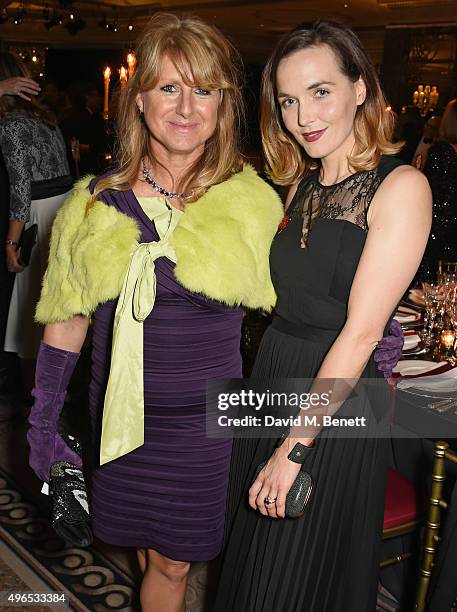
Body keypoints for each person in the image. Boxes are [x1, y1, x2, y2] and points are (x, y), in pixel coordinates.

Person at [27, 13, 284, 612]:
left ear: (223, 106)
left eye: (204, 91)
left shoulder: (249, 201)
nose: (186, 106)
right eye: (169, 87)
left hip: (200, 427)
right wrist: (41, 426)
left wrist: (370, 340)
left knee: (173, 560)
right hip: (117, 417)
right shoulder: (95, 202)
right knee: (146, 554)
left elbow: (295, 292)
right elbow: (67, 318)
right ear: (138, 100)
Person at [215, 20, 431, 612]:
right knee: (251, 562)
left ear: (360, 88)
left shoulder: (402, 186)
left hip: (334, 404)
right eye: (288, 99)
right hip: (274, 374)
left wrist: (296, 446)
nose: (302, 115)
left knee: (292, 580)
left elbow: (361, 332)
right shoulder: (302, 184)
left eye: (320, 92)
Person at [0, 53, 72, 399]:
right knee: (54, 312)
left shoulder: (11, 125)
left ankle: (37, 405)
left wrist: (12, 242)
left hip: (40, 216)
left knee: (34, 318)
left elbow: (21, 187)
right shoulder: (46, 118)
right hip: (64, 212)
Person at [423, 99, 457, 268]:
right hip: (442, 228)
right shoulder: (442, 152)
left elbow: (429, 191)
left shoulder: (441, 151)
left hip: (441, 226)